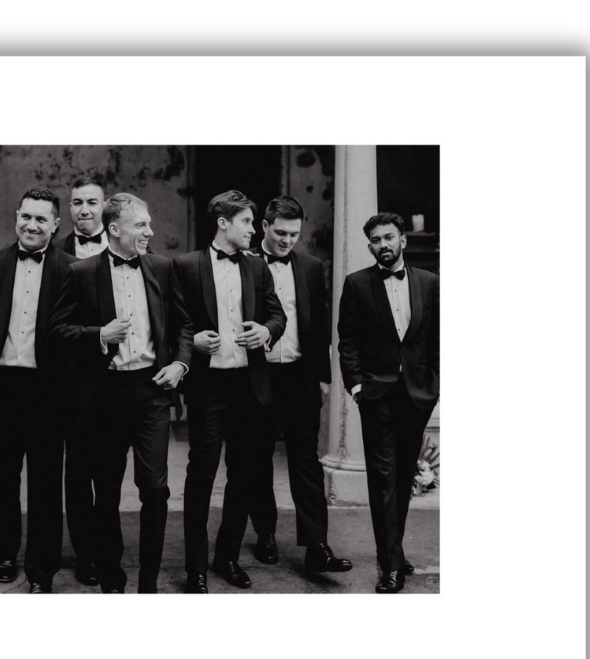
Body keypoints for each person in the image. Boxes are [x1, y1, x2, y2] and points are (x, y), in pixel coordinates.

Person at [51, 192, 188, 593]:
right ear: (115, 230)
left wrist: (180, 364)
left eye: (148, 224)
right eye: (141, 225)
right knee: (106, 491)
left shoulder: (162, 268)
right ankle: (112, 576)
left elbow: (184, 325)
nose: (150, 231)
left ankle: (149, 584)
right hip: (105, 394)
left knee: (155, 489)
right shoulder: (81, 272)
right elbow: (57, 332)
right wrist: (98, 335)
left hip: (152, 392)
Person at [0, 187, 75, 591]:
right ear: (16, 216)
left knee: (45, 485)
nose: (32, 224)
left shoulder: (72, 269)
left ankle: (42, 570)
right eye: (27, 216)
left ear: (56, 225)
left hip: (47, 392)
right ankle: (5, 553)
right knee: (1, 481)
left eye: (42, 219)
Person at [170, 189, 286, 592]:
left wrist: (266, 331)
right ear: (223, 223)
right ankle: (195, 567)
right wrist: (193, 344)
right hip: (208, 386)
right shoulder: (184, 266)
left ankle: (228, 557)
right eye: (248, 223)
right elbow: (173, 322)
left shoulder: (257, 268)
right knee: (201, 475)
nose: (255, 230)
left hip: (249, 386)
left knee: (245, 475)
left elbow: (277, 314)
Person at [336, 213, 439, 593]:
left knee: (403, 474)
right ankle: (390, 563)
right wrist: (357, 386)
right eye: (376, 239)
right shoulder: (357, 284)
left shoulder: (429, 283)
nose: (383, 244)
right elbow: (347, 340)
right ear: (369, 246)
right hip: (376, 394)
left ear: (402, 241)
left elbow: (438, 337)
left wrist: (436, 383)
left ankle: (392, 549)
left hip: (417, 394)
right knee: (382, 480)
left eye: (389, 237)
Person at [256, 196, 352, 577]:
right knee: (258, 458)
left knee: (306, 461)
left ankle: (317, 544)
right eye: (280, 232)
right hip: (257, 375)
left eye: (294, 234)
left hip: (299, 375)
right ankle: (265, 532)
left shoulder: (311, 267)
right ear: (264, 226)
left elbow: (318, 324)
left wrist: (324, 377)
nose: (286, 241)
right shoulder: (243, 263)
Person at [55, 178, 110, 586]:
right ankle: (85, 553)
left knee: (111, 472)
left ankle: (109, 547)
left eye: (92, 202)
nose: (84, 209)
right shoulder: (55, 254)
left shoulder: (129, 247)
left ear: (105, 206)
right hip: (74, 382)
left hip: (123, 381)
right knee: (77, 474)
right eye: (77, 203)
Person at [54, 179, 109, 261]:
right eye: (78, 203)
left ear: (103, 207)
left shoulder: (121, 244)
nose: (84, 211)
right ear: (71, 208)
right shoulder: (56, 250)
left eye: (92, 203)